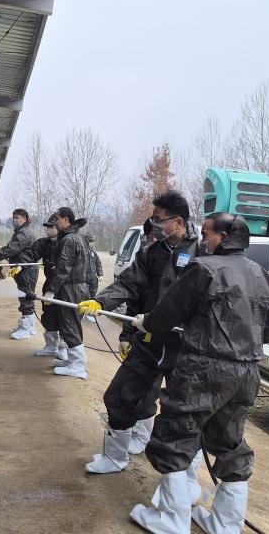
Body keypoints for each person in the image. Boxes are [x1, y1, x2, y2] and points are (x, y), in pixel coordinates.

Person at [128, 213, 269, 534]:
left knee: (174, 437)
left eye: (207, 233)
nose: (203, 239)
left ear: (223, 237)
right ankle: (225, 525)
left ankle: (171, 520)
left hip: (203, 369)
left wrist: (146, 322)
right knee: (229, 444)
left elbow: (166, 315)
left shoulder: (203, 269)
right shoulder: (265, 278)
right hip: (247, 373)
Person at [78, 191, 201, 476]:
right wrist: (101, 302)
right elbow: (128, 284)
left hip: (186, 347)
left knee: (183, 412)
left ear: (178, 222)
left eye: (159, 219)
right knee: (121, 394)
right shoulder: (152, 253)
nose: (154, 224)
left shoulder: (203, 253)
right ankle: (114, 457)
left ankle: (184, 479)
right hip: (150, 340)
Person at [44, 207, 91, 379]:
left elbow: (63, 268)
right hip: (78, 287)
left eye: (57, 218)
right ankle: (72, 360)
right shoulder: (79, 237)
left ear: (65, 219)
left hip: (70, 288)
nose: (55, 222)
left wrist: (51, 290)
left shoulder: (69, 239)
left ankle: (78, 366)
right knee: (70, 325)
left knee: (70, 326)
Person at [15, 214, 67, 360]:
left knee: (65, 318)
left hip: (65, 288)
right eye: (46, 226)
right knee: (49, 316)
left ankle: (64, 349)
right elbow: (31, 255)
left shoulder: (67, 242)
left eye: (50, 226)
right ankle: (51, 346)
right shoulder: (43, 243)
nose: (47, 229)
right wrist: (21, 266)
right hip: (49, 285)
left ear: (58, 227)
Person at [0, 209, 38, 339]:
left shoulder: (24, 233)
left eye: (17, 217)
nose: (15, 220)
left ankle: (26, 329)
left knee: (26, 297)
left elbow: (11, 249)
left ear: (24, 219)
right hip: (23, 268)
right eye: (14, 217)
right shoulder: (22, 231)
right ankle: (30, 327)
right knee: (26, 296)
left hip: (26, 269)